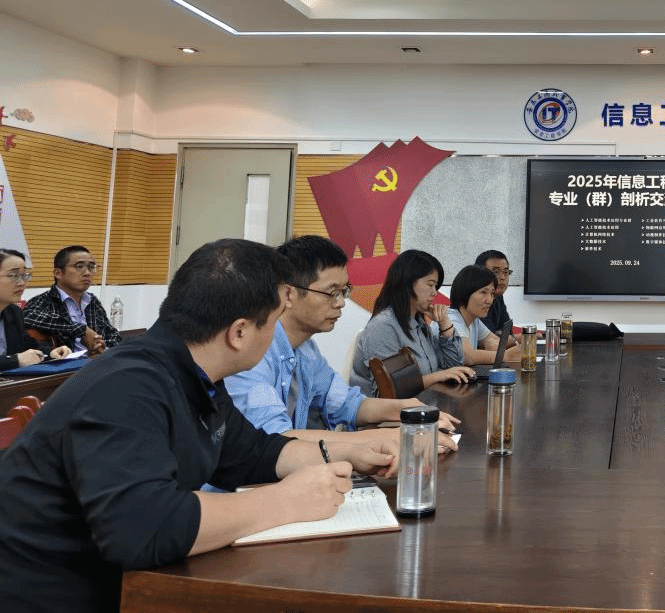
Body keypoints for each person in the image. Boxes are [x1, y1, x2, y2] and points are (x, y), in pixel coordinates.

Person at [0, 238, 395, 613]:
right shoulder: (128, 387)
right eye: (275, 321)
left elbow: (252, 453)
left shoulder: (195, 375)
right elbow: (144, 527)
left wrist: (349, 452)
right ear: (239, 332)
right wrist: (287, 501)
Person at [226, 235, 459, 452]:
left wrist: (411, 410)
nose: (341, 303)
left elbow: (348, 403)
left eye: (343, 291)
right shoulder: (252, 353)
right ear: (288, 294)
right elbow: (277, 439)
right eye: (331, 292)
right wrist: (394, 437)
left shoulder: (306, 350)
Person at [349, 249, 475, 392]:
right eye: (430, 284)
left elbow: (454, 366)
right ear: (408, 283)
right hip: (386, 406)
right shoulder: (384, 326)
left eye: (436, 286)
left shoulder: (419, 324)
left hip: (422, 400)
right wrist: (438, 376)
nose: (435, 292)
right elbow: (388, 389)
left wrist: (444, 324)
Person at [22, 245, 120, 354]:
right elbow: (26, 317)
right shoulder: (45, 300)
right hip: (66, 363)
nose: (87, 273)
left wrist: (103, 346)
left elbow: (112, 335)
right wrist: (81, 330)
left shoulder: (92, 301)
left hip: (97, 360)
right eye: (79, 266)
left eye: (91, 267)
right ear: (58, 273)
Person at [0, 248, 73, 371]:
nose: (22, 282)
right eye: (14, 275)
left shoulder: (13, 312)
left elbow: (29, 347)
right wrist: (15, 360)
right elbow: (18, 358)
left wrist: (50, 354)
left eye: (24, 275)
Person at [448, 264, 522, 365]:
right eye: (483, 292)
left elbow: (492, 340)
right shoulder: (451, 318)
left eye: (492, 293)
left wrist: (519, 342)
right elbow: (467, 356)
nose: (489, 300)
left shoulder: (473, 319)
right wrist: (506, 356)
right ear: (465, 292)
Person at [475, 248, 517, 343]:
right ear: (479, 274)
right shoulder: (476, 300)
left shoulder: (498, 296)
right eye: (496, 272)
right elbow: (491, 341)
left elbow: (507, 332)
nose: (502, 277)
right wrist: (514, 339)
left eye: (505, 272)